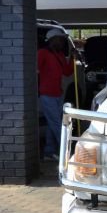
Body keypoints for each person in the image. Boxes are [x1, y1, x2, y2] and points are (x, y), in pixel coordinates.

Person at [37, 29, 74, 160]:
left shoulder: (59, 55)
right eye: (60, 39)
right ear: (53, 40)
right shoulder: (42, 53)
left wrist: (72, 59)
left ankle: (49, 151)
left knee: (51, 123)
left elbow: (67, 72)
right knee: (57, 123)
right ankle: (66, 151)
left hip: (57, 93)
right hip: (46, 94)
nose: (63, 42)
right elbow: (35, 70)